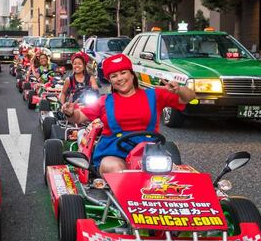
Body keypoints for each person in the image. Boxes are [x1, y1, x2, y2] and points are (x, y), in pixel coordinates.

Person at [61, 53, 195, 175]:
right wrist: (70, 113)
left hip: (149, 151)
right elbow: (78, 117)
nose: (119, 78)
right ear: (110, 81)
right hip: (113, 152)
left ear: (132, 74)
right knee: (118, 170)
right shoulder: (104, 101)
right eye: (114, 76)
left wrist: (179, 90)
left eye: (123, 73)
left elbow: (188, 97)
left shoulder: (154, 95)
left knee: (167, 174)